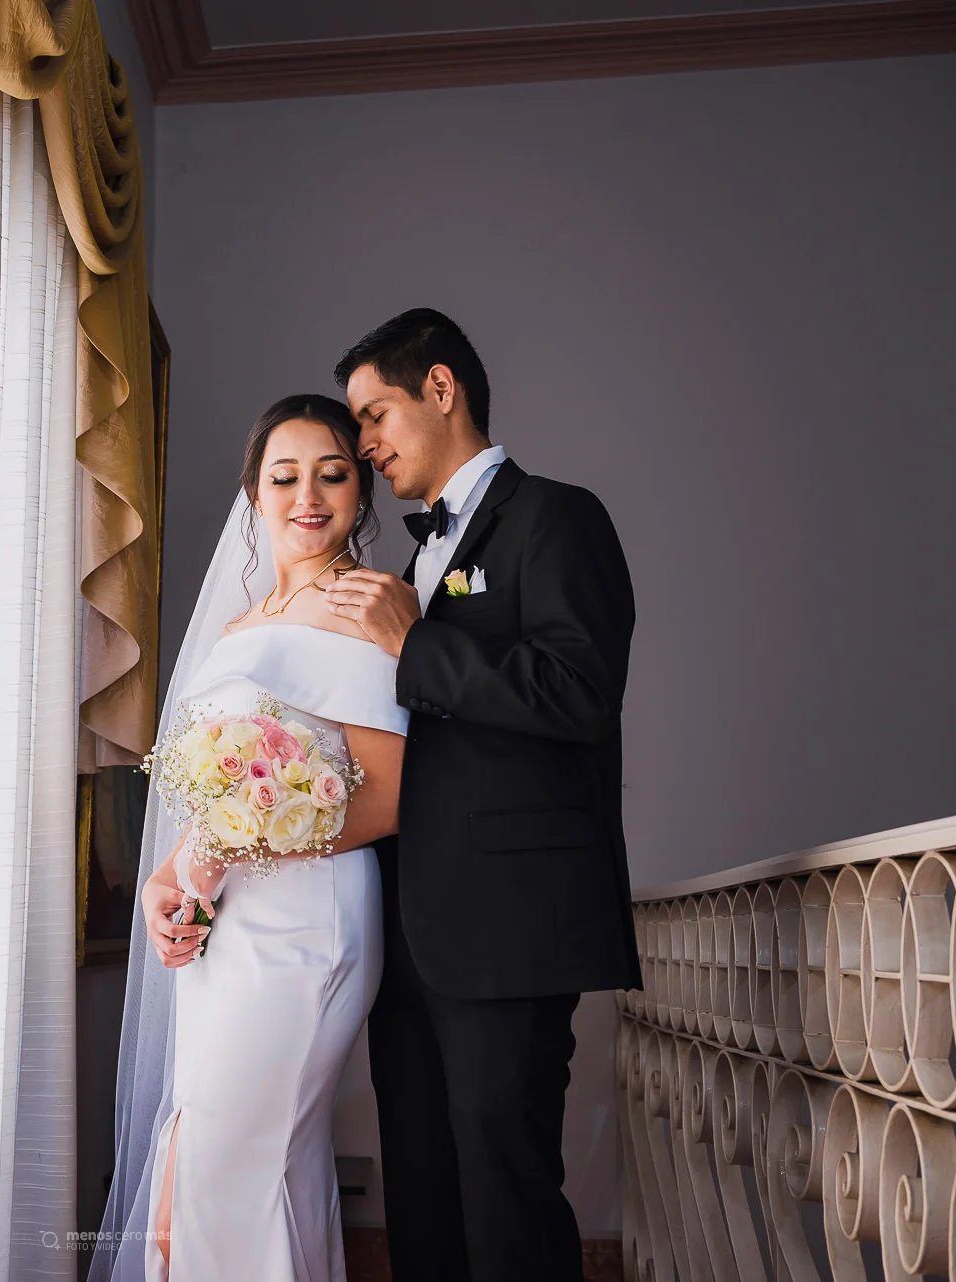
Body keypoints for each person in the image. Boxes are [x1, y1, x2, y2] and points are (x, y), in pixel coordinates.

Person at [322, 308, 643, 1281]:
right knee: (424, 1196)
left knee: (504, 1201)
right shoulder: (410, 562)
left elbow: (579, 691)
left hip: (508, 933)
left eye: (375, 415)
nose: (365, 444)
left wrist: (413, 644)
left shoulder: (558, 517)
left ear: (442, 389)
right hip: (410, 932)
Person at [88, 395, 409, 1282]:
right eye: (285, 475)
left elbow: (385, 800)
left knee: (237, 1162)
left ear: (360, 492)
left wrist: (237, 846)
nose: (309, 495)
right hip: (224, 928)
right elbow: (208, 794)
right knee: (200, 1156)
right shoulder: (237, 627)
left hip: (309, 924)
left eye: (333, 474)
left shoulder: (371, 608)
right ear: (255, 495)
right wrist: (171, 881)